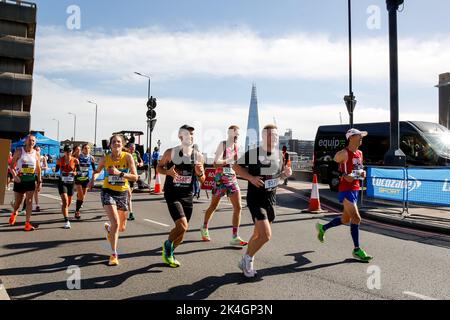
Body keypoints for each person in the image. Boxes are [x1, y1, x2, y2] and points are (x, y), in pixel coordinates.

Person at [233, 124, 292, 277]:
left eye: (276, 135)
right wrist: (251, 178)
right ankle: (248, 259)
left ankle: (246, 260)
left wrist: (286, 174)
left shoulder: (280, 155)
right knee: (265, 235)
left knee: (257, 235)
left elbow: (279, 176)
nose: (274, 138)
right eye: (270, 135)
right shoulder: (254, 153)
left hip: (271, 199)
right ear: (263, 136)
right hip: (256, 199)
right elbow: (236, 167)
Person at [315, 128, 373, 262]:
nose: (361, 138)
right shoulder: (343, 153)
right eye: (359, 136)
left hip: (356, 188)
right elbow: (330, 168)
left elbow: (358, 169)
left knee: (345, 220)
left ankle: (323, 228)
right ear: (351, 137)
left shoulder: (360, 153)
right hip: (345, 190)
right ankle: (357, 250)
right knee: (357, 218)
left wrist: (362, 173)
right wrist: (343, 175)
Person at [157, 125, 205, 268]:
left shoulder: (198, 156)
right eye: (186, 134)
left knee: (182, 232)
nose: (190, 136)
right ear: (179, 136)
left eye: (192, 134)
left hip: (187, 195)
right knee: (182, 225)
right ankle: (167, 246)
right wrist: (168, 173)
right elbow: (159, 167)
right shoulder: (170, 153)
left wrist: (200, 173)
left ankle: (170, 252)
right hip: (172, 193)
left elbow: (203, 180)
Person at [89, 134, 138, 266]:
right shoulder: (105, 159)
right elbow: (98, 171)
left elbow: (135, 177)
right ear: (110, 145)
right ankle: (113, 254)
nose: (116, 143)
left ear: (122, 144)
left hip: (122, 193)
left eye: (119, 142)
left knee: (121, 227)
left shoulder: (127, 157)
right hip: (108, 191)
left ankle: (110, 230)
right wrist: (93, 179)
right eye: (114, 142)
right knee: (116, 222)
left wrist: (120, 173)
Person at [200, 125, 248, 246]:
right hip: (220, 179)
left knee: (238, 207)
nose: (237, 136)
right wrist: (230, 159)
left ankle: (235, 236)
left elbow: (236, 165)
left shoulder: (237, 147)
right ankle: (204, 227)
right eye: (235, 134)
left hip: (232, 179)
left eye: (238, 134)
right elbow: (216, 163)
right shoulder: (223, 145)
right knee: (213, 206)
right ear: (229, 133)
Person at [8, 135, 42, 231]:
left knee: (29, 201)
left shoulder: (36, 154)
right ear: (26, 141)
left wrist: (39, 182)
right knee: (18, 203)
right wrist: (15, 176)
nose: (32, 142)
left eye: (33, 141)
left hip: (30, 180)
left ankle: (27, 223)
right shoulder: (19, 151)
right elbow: (11, 166)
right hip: (20, 180)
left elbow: (38, 170)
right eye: (30, 140)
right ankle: (15, 212)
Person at [55, 145, 80, 229]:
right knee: (65, 201)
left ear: (71, 152)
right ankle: (67, 221)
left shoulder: (75, 160)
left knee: (68, 202)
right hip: (62, 183)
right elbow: (56, 170)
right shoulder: (60, 160)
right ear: (64, 152)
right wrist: (53, 169)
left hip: (71, 183)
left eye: (70, 151)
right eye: (67, 151)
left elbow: (78, 172)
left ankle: (64, 208)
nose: (68, 153)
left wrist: (75, 173)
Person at [74, 144, 96, 220]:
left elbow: (94, 170)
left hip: (85, 179)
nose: (87, 150)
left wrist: (93, 179)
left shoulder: (91, 158)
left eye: (88, 148)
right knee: (81, 197)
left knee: (82, 198)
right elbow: (73, 164)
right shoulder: (78, 157)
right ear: (82, 149)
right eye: (85, 148)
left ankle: (78, 199)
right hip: (78, 179)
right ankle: (77, 211)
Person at [127, 143, 143, 221]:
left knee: (129, 195)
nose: (133, 149)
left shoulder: (136, 153)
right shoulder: (125, 154)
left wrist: (139, 164)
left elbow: (141, 162)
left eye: (134, 147)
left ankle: (122, 204)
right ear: (128, 148)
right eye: (131, 147)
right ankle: (131, 213)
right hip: (125, 177)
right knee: (129, 195)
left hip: (132, 177)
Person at [33, 146, 48, 212]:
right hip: (32, 175)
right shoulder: (32, 157)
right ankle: (37, 205)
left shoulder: (43, 158)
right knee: (35, 190)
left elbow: (46, 167)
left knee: (38, 189)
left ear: (40, 151)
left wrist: (40, 168)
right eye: (36, 150)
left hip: (39, 175)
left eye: (38, 150)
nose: (37, 151)